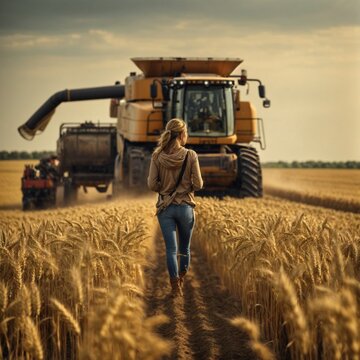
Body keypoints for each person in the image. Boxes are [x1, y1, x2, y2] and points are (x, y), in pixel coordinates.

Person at [147, 118, 203, 297]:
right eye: (185, 133)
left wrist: (165, 188)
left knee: (170, 249)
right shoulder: (190, 155)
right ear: (181, 135)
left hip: (166, 208)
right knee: (184, 248)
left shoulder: (157, 155)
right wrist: (186, 187)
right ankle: (181, 277)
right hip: (186, 207)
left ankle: (174, 286)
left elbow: (151, 185)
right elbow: (199, 184)